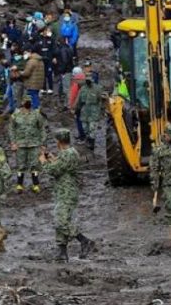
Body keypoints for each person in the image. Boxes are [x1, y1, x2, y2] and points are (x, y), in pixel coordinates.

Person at [40, 128, 96, 262]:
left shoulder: (67, 154)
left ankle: (84, 241)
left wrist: (43, 161)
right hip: (63, 191)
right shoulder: (68, 153)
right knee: (62, 219)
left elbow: (54, 170)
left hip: (67, 192)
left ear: (59, 141)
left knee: (61, 221)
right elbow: (61, 166)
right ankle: (62, 253)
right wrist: (52, 158)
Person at [9, 98, 45, 193]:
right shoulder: (16, 115)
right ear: (22, 102)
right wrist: (13, 143)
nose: (28, 102)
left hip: (34, 143)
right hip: (20, 144)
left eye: (29, 101)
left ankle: (35, 185)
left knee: (35, 165)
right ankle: (19, 185)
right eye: (26, 101)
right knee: (20, 165)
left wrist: (43, 143)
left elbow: (42, 128)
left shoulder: (36, 114)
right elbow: (11, 129)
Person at [73, 76, 102, 150]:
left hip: (94, 111)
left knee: (92, 127)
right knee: (85, 127)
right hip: (84, 111)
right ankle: (88, 139)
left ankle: (92, 143)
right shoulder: (83, 89)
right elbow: (79, 100)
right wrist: (77, 109)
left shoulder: (98, 88)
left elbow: (101, 100)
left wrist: (101, 110)